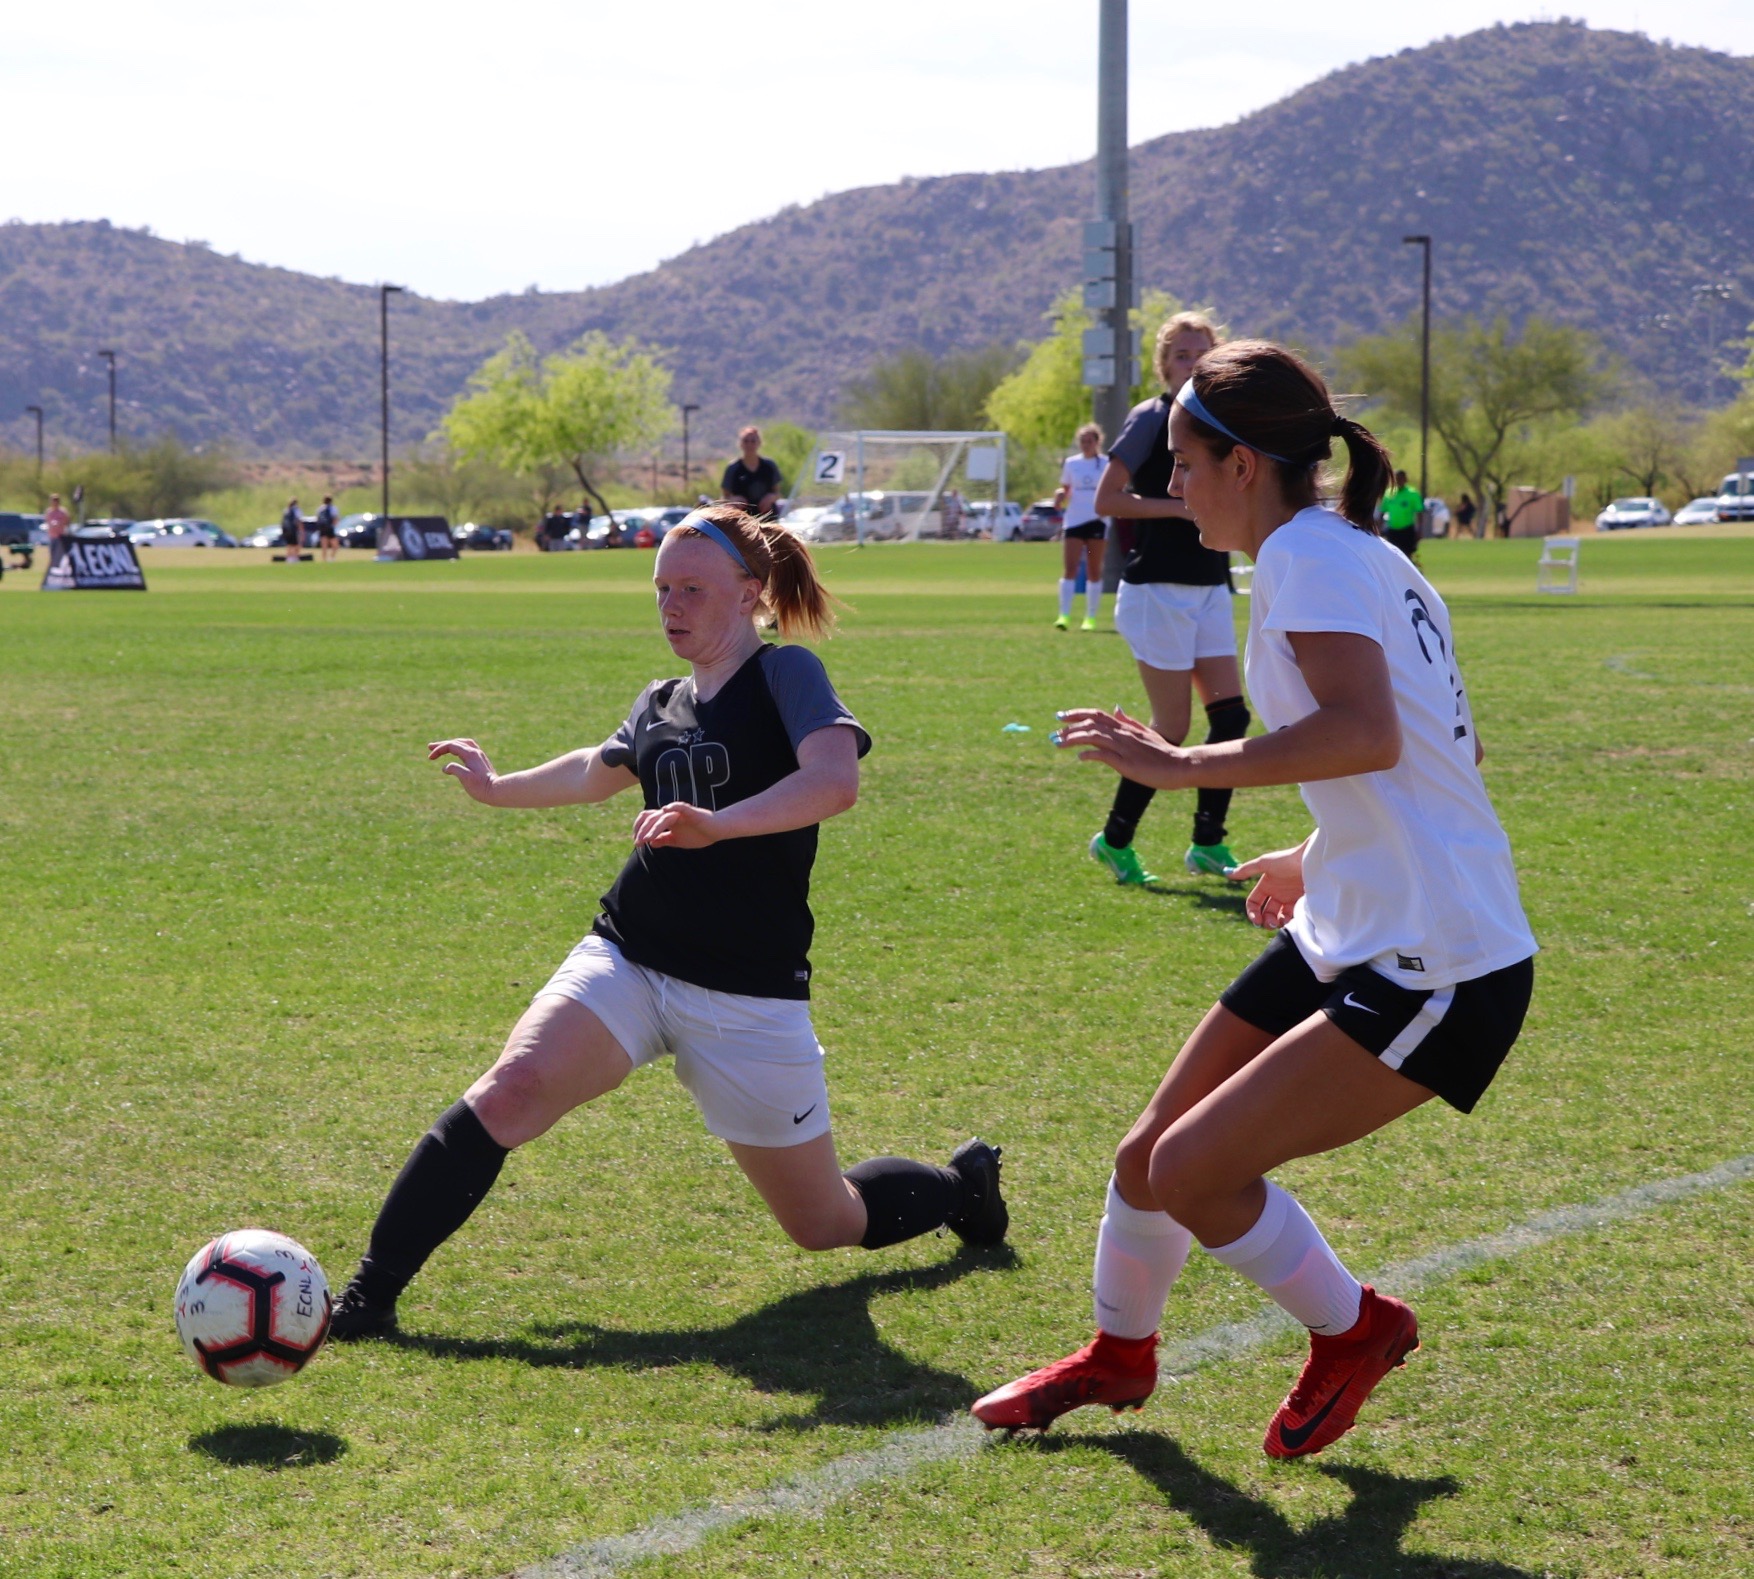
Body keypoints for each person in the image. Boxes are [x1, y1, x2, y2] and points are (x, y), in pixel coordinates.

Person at [971, 340, 1536, 1460]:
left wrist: (1180, 765)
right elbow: (1432, 758)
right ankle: (1118, 1353)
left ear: (1241, 464)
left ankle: (1355, 1327)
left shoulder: (1312, 561)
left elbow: (1369, 733)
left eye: (1182, 461)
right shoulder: (1338, 554)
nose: (1168, 486)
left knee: (1192, 1171)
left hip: (1440, 960)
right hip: (1362, 919)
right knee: (1145, 1159)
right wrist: (1313, 851)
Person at [327, 503, 1008, 1340]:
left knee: (824, 1221)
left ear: (752, 592)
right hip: (632, 956)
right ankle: (368, 1296)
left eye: (693, 587)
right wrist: (497, 786)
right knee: (511, 1090)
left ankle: (965, 1186)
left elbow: (834, 782)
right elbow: (596, 768)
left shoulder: (786, 674)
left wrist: (718, 823)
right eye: (661, 588)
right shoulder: (662, 701)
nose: (671, 604)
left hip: (748, 991)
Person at [1088, 312, 1251, 885]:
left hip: (1210, 585)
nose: (1192, 364)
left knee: (1232, 717)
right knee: (1171, 729)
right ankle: (1114, 839)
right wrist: (1179, 506)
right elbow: (1108, 500)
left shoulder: (1221, 426)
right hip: (1156, 588)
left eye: (1202, 353)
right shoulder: (1151, 418)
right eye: (1181, 355)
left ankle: (1207, 843)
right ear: (1164, 365)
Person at [1053, 424, 1108, 631]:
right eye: (1082, 441)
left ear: (1097, 442)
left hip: (1096, 522)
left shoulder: (1105, 464)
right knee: (1070, 568)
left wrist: (1106, 509)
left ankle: (1090, 617)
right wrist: (1059, 497)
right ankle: (1064, 615)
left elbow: (1114, 489)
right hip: (1074, 522)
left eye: (1089, 441)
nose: (1086, 445)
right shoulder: (1071, 463)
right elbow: (1066, 490)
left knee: (1094, 570)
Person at [721, 427, 783, 519]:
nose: (749, 444)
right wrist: (733, 500)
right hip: (742, 521)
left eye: (753, 441)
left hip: (767, 518)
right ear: (740, 444)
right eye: (746, 441)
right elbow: (724, 498)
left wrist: (771, 497)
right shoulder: (733, 468)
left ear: (759, 443)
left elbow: (777, 493)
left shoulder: (769, 466)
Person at [1381, 470, 1424, 561]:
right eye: (1396, 479)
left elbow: (1419, 512)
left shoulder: (1412, 493)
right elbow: (1382, 511)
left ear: (1405, 480)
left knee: (1407, 555)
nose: (1398, 481)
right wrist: (1378, 528)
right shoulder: (1388, 493)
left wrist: (1419, 529)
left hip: (1407, 529)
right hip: (1392, 530)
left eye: (1401, 478)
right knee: (1392, 555)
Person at [315, 496, 340, 562]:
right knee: (335, 545)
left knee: (324, 546)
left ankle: (324, 559)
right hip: (330, 528)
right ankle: (331, 557)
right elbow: (336, 518)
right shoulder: (333, 508)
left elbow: (317, 519)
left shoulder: (320, 508)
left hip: (322, 529)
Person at [281, 498, 304, 563]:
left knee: (289, 545)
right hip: (294, 530)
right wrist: (302, 531)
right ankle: (295, 558)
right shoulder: (297, 510)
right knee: (296, 544)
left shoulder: (286, 510)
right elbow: (299, 521)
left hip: (286, 531)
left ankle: (288, 558)